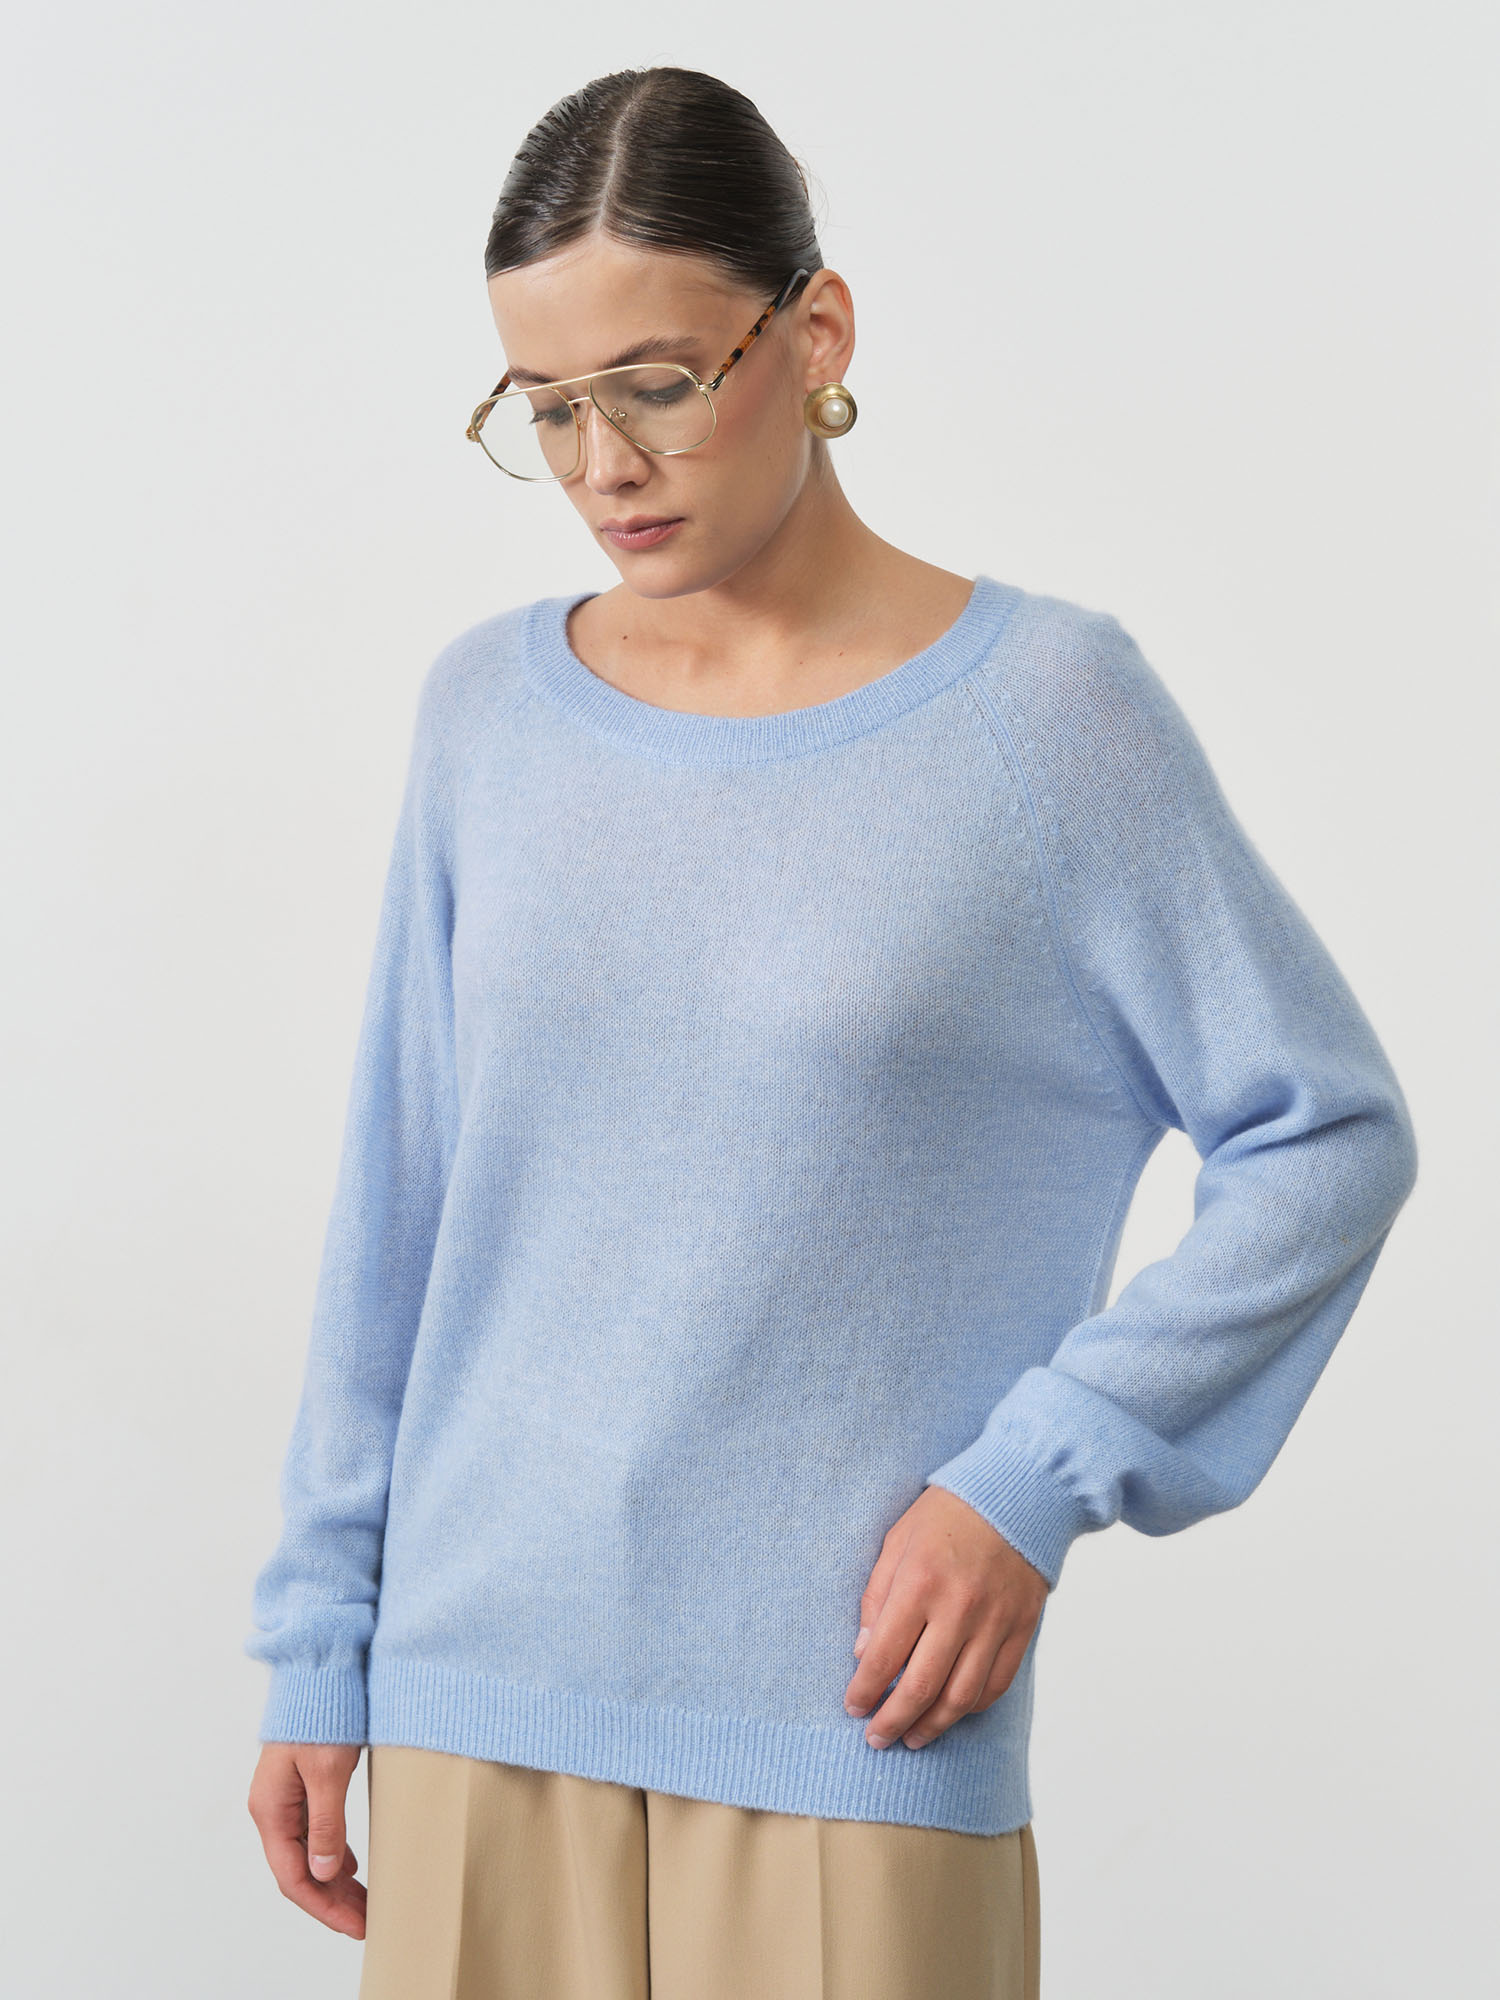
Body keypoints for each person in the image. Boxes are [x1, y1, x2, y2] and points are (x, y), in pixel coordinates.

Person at [243, 64, 1419, 2000]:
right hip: (470, 1692)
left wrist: (1030, 1480)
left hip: (850, 1716)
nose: (604, 461)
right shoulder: (488, 717)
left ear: (818, 335)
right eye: (546, 406)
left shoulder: (1046, 716)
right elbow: (406, 1207)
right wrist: (317, 1636)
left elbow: (1325, 1133)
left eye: (656, 381)